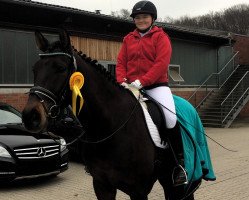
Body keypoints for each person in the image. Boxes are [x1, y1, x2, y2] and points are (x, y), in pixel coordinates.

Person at [116, 0, 188, 186]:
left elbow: (161, 64)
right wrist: (122, 81)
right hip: (131, 87)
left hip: (156, 86)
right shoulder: (128, 39)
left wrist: (143, 81)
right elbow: (121, 63)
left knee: (170, 117)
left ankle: (179, 163)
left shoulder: (161, 37)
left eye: (144, 17)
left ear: (152, 18)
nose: (141, 20)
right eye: (137, 17)